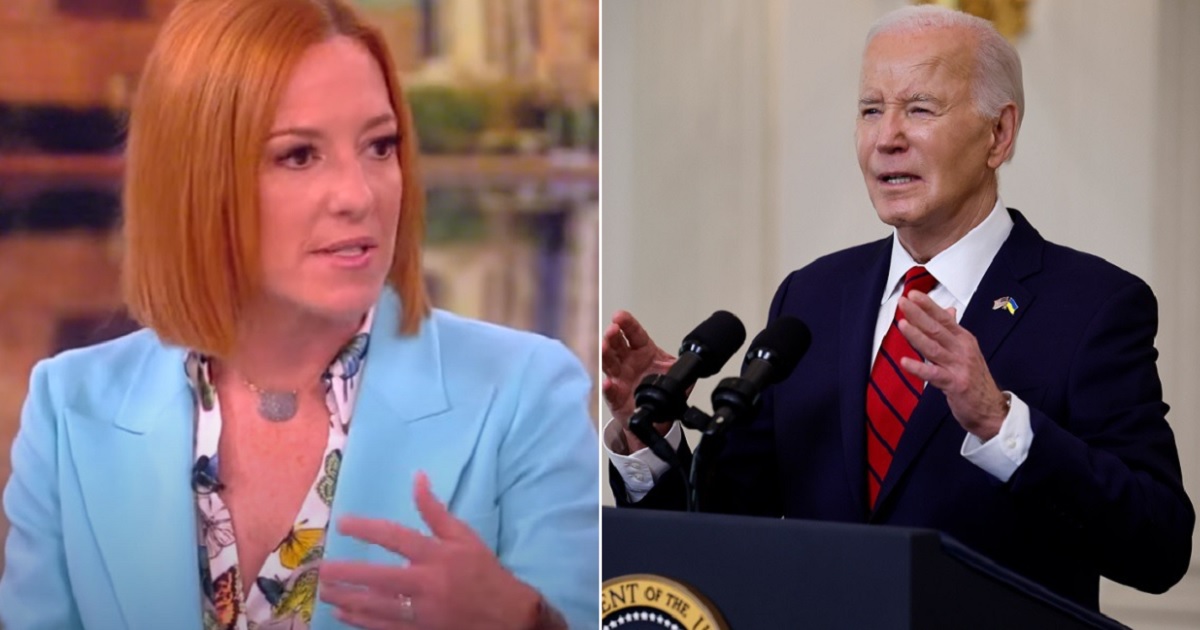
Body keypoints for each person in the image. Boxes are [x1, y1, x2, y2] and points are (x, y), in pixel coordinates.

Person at [0, 1, 598, 628]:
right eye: (298, 156)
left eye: (379, 145)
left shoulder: (527, 395)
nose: (358, 195)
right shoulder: (69, 411)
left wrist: (527, 623)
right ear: (197, 179)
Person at [602, 5, 1193, 611]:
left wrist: (1000, 424)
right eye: (869, 110)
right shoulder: (812, 298)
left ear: (999, 134)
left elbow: (1159, 546)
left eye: (919, 109)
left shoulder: (1092, 305)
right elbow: (714, 535)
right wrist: (651, 428)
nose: (887, 137)